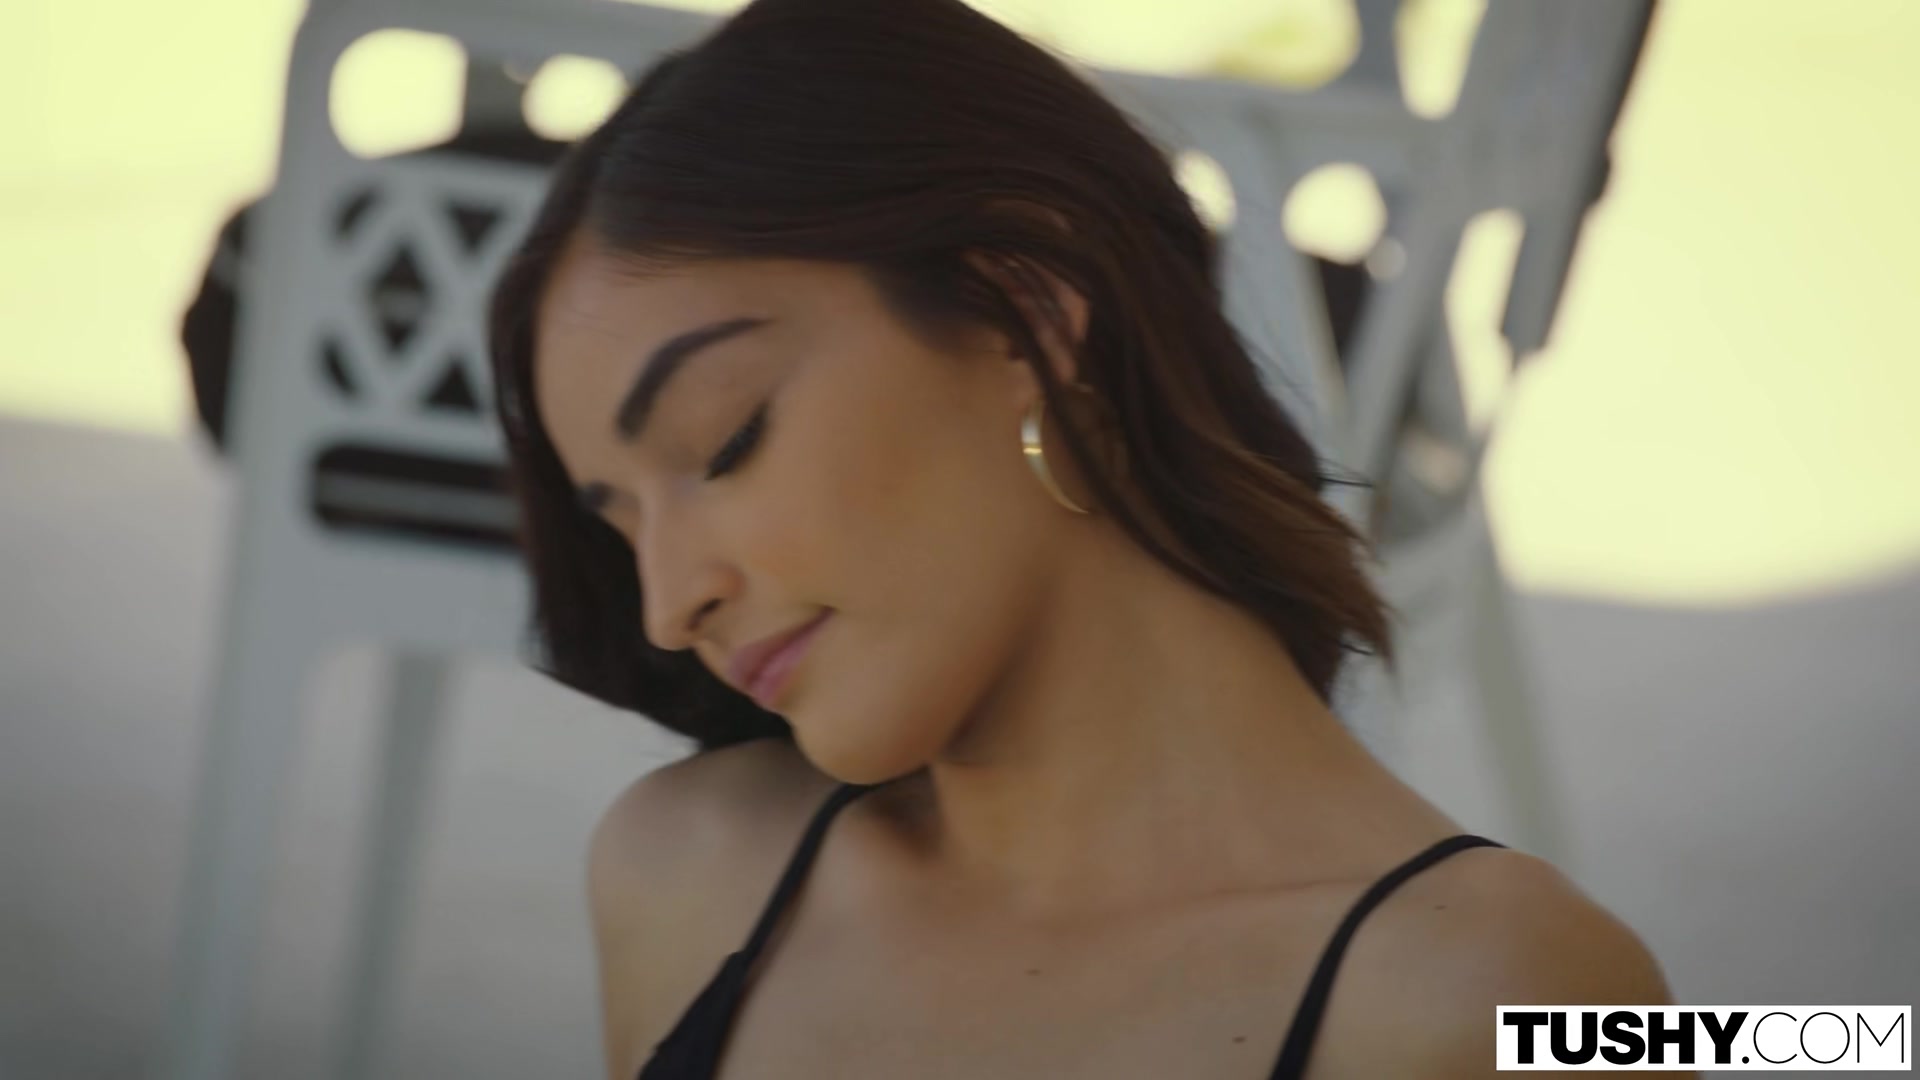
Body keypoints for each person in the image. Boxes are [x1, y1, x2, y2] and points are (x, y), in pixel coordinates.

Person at [485, 0, 1683, 1077]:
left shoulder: (1518, 1005)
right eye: (620, 521)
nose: (667, 605)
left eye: (724, 441)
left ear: (1028, 313)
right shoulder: (684, 877)